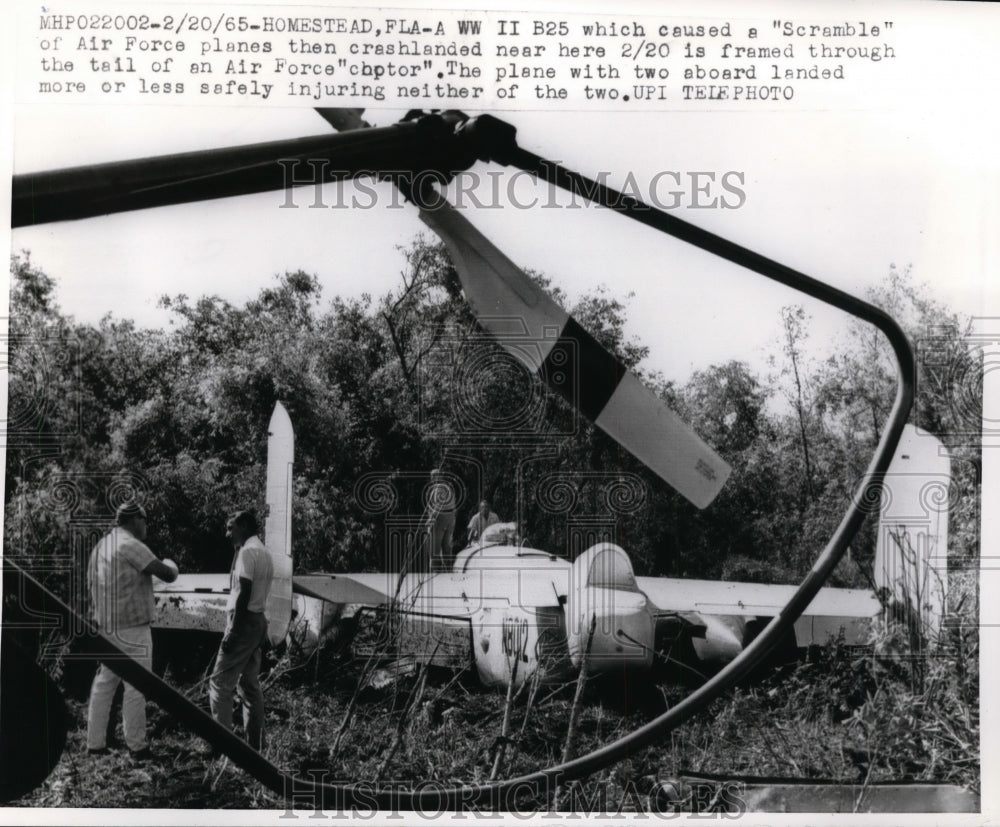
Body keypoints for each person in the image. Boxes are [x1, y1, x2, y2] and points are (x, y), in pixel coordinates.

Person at [86, 502, 179, 761]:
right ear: (135, 518)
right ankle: (137, 747)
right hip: (134, 629)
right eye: (145, 519)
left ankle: (95, 745)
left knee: (104, 684)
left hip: (107, 627)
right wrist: (172, 564)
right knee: (136, 687)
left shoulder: (102, 546)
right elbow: (167, 574)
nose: (146, 525)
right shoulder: (130, 544)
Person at [208, 510, 274, 752]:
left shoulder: (247, 552)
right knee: (249, 685)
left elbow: (244, 592)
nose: (227, 534)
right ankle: (254, 747)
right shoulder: (264, 552)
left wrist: (233, 632)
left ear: (244, 526)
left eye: (231, 527)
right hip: (258, 621)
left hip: (244, 623)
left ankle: (223, 746)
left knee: (219, 684)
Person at [425, 468, 456, 571]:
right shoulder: (448, 487)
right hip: (450, 517)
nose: (432, 479)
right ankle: (447, 568)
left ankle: (435, 569)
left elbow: (438, 505)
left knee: (435, 546)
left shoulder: (439, 488)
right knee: (446, 546)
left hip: (441, 518)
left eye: (433, 477)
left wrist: (431, 519)